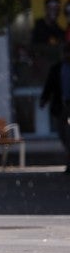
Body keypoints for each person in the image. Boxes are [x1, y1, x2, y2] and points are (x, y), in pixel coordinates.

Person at [39, 43, 70, 174]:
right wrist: (44, 99)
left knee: (68, 136)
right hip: (61, 105)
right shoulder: (57, 68)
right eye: (65, 53)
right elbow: (49, 85)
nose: (66, 56)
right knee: (63, 134)